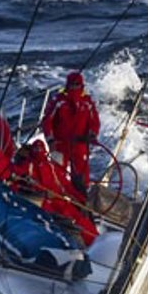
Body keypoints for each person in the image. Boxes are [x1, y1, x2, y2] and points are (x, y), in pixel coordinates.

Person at [11, 139, 97, 246]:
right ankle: (79, 245)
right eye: (37, 149)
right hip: (43, 202)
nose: (39, 151)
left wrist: (79, 198)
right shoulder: (27, 166)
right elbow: (18, 180)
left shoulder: (51, 166)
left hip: (59, 200)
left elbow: (65, 184)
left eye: (41, 149)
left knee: (79, 217)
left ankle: (96, 242)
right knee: (67, 221)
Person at [42, 71, 99, 200]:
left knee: (82, 176)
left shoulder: (87, 102)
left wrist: (92, 134)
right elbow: (47, 121)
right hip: (59, 144)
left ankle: (81, 201)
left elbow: (94, 122)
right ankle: (56, 200)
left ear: (82, 86)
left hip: (80, 144)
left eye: (76, 85)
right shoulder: (58, 101)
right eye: (72, 85)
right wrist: (50, 140)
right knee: (56, 174)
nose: (74, 88)